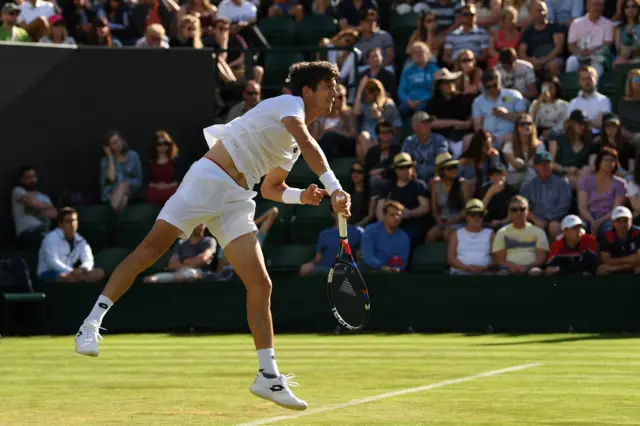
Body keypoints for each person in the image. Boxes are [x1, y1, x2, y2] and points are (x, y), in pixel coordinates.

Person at [74, 61, 351, 411]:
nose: (335, 93)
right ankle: (90, 324)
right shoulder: (288, 106)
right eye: (329, 86)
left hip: (237, 200)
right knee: (149, 251)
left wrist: (303, 196)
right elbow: (308, 142)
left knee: (260, 284)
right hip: (208, 179)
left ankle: (267, 375)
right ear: (307, 91)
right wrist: (335, 187)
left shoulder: (296, 145)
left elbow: (271, 187)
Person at [37, 207, 106, 283]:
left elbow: (88, 259)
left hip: (73, 272)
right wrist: (71, 271)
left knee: (99, 273)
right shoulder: (51, 238)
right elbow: (52, 262)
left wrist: (83, 269)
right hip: (48, 272)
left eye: (74, 220)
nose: (72, 224)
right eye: (68, 221)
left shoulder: (80, 240)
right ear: (61, 224)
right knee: (66, 278)